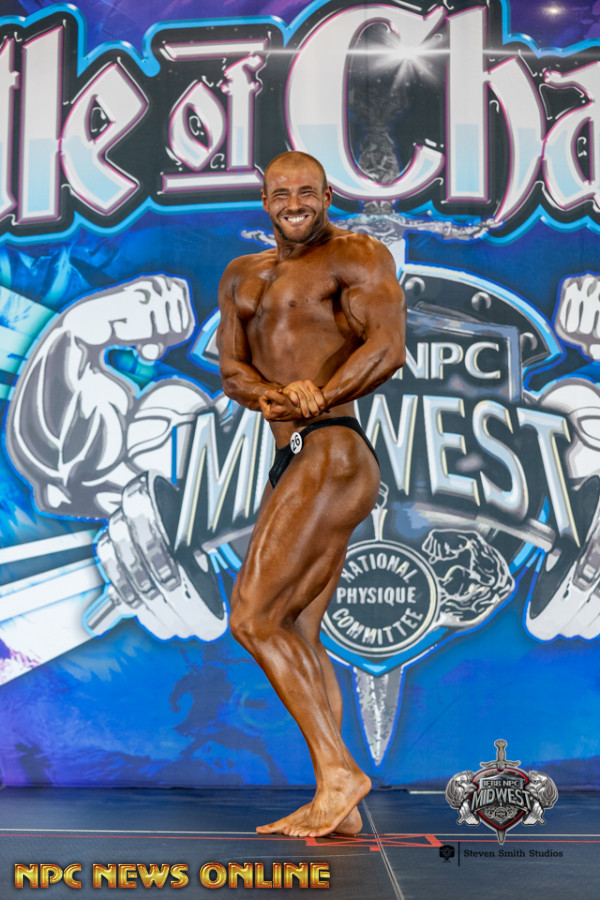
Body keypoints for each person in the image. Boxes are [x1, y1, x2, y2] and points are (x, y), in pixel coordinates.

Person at [217, 151, 406, 837]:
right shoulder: (242, 276)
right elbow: (232, 368)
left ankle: (337, 773)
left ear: (328, 195)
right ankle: (341, 804)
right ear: (265, 200)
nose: (293, 203)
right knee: (294, 626)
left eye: (305, 191)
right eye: (280, 193)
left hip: (331, 447)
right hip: (292, 454)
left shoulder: (355, 256)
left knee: (252, 618)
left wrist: (317, 396)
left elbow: (387, 348)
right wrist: (270, 395)